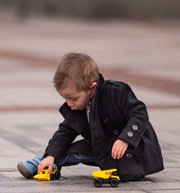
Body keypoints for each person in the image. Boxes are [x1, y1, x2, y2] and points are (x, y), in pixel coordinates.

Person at [17, 52, 164, 182]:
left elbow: (139, 114)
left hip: (133, 154)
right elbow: (64, 132)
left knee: (82, 154)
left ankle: (43, 162)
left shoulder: (117, 92)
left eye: (73, 99)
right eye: (65, 98)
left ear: (91, 87)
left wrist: (125, 139)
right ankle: (47, 161)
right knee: (74, 150)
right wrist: (51, 154)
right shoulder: (81, 104)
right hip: (105, 148)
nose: (69, 104)